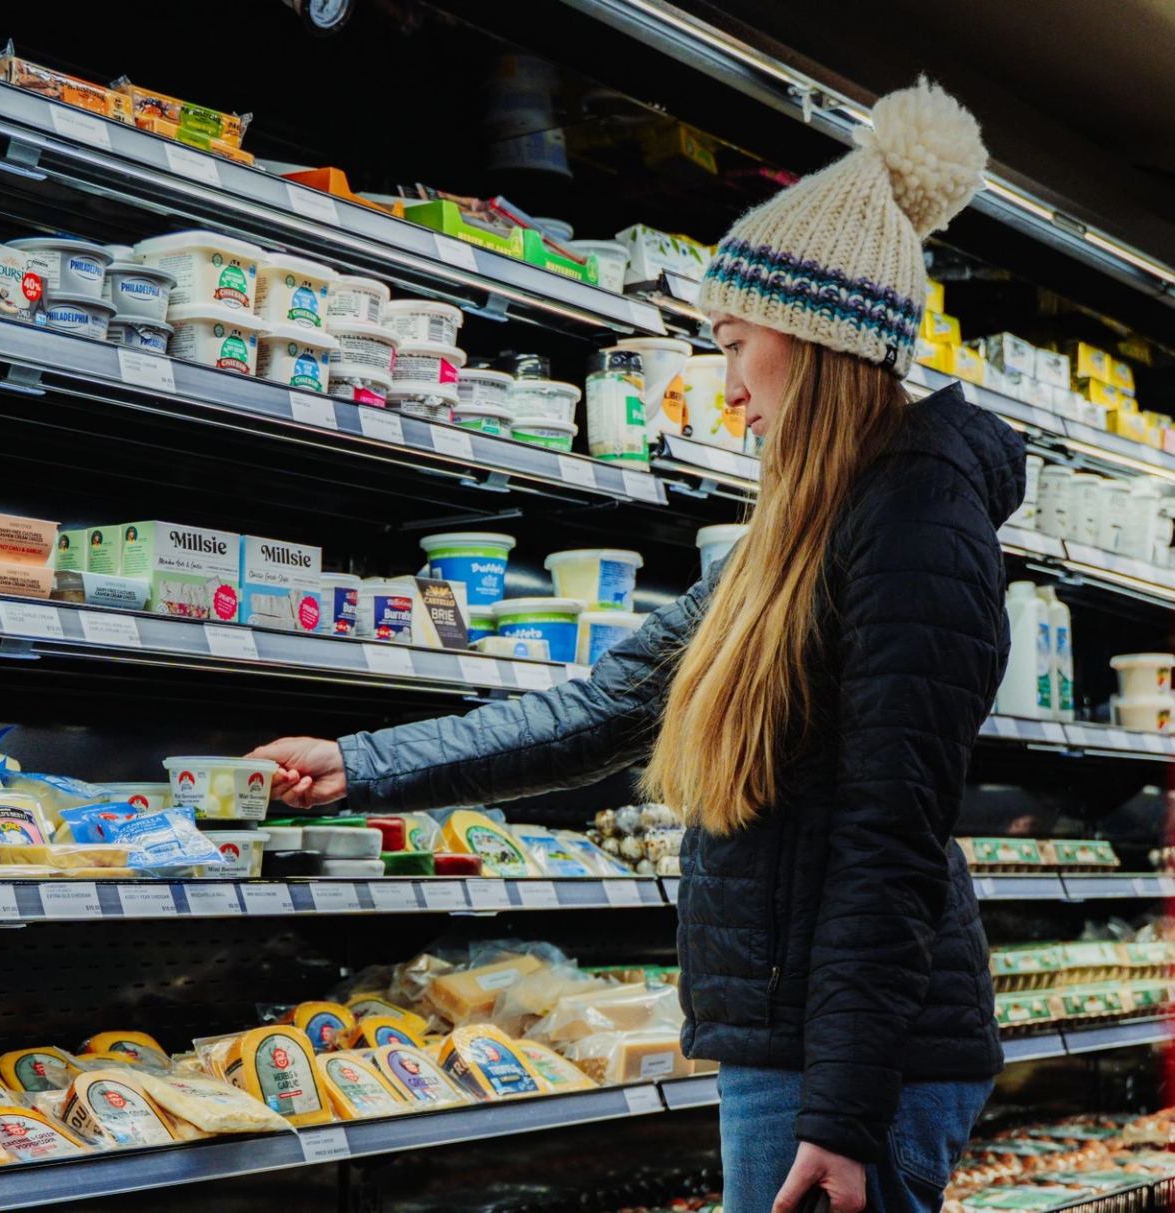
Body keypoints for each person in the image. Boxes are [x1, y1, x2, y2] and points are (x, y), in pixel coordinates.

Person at [251, 79, 1013, 1213]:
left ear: (813, 339)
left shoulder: (915, 518)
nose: (727, 384)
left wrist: (845, 1113)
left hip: (857, 1065)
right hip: (797, 1044)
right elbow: (597, 711)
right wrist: (360, 765)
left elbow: (890, 839)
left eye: (735, 342)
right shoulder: (795, 536)